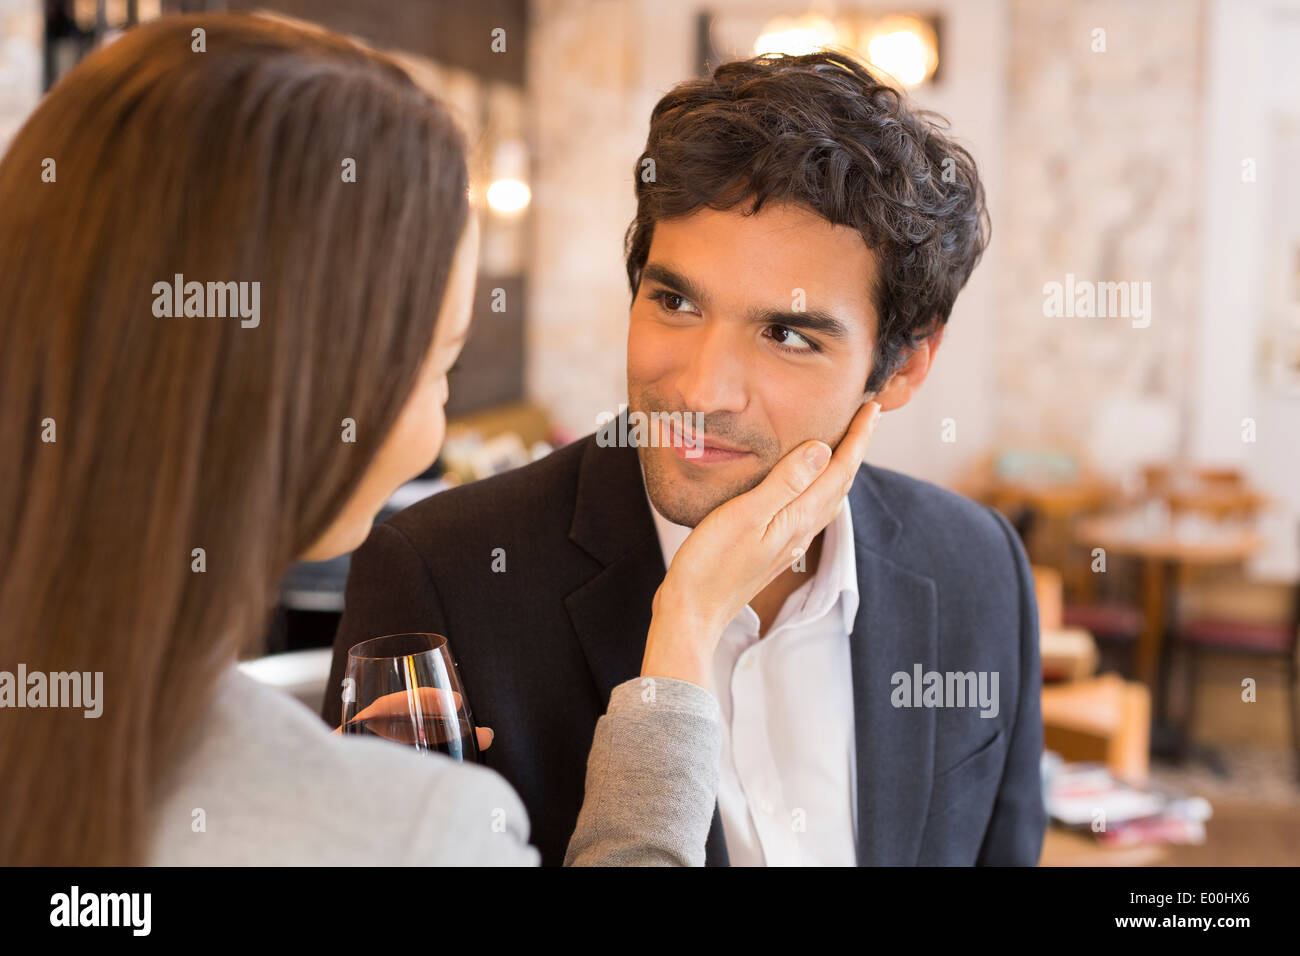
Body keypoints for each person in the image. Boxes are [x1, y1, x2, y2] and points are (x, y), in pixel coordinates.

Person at [0, 14, 877, 866]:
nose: (702, 389)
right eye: (438, 367)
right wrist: (683, 629)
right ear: (307, 395)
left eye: (791, 333)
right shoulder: (414, 803)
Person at [324, 51, 1046, 866]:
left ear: (906, 364)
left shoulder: (978, 567)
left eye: (786, 335)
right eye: (675, 301)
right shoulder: (441, 574)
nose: (702, 390)